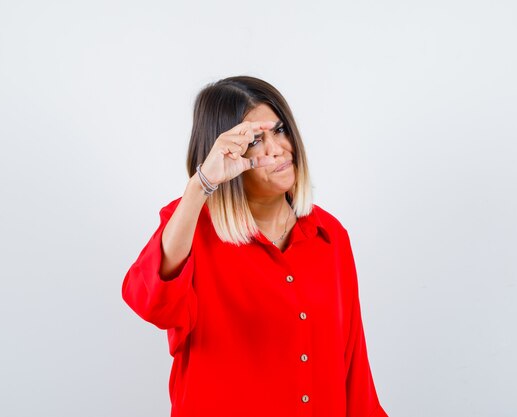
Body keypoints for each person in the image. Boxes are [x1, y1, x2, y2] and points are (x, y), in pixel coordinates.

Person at [122, 75, 389, 417]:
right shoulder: (192, 228)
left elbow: (354, 369)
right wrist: (200, 184)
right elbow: (151, 302)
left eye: (279, 130)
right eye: (255, 140)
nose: (277, 149)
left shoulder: (330, 236)